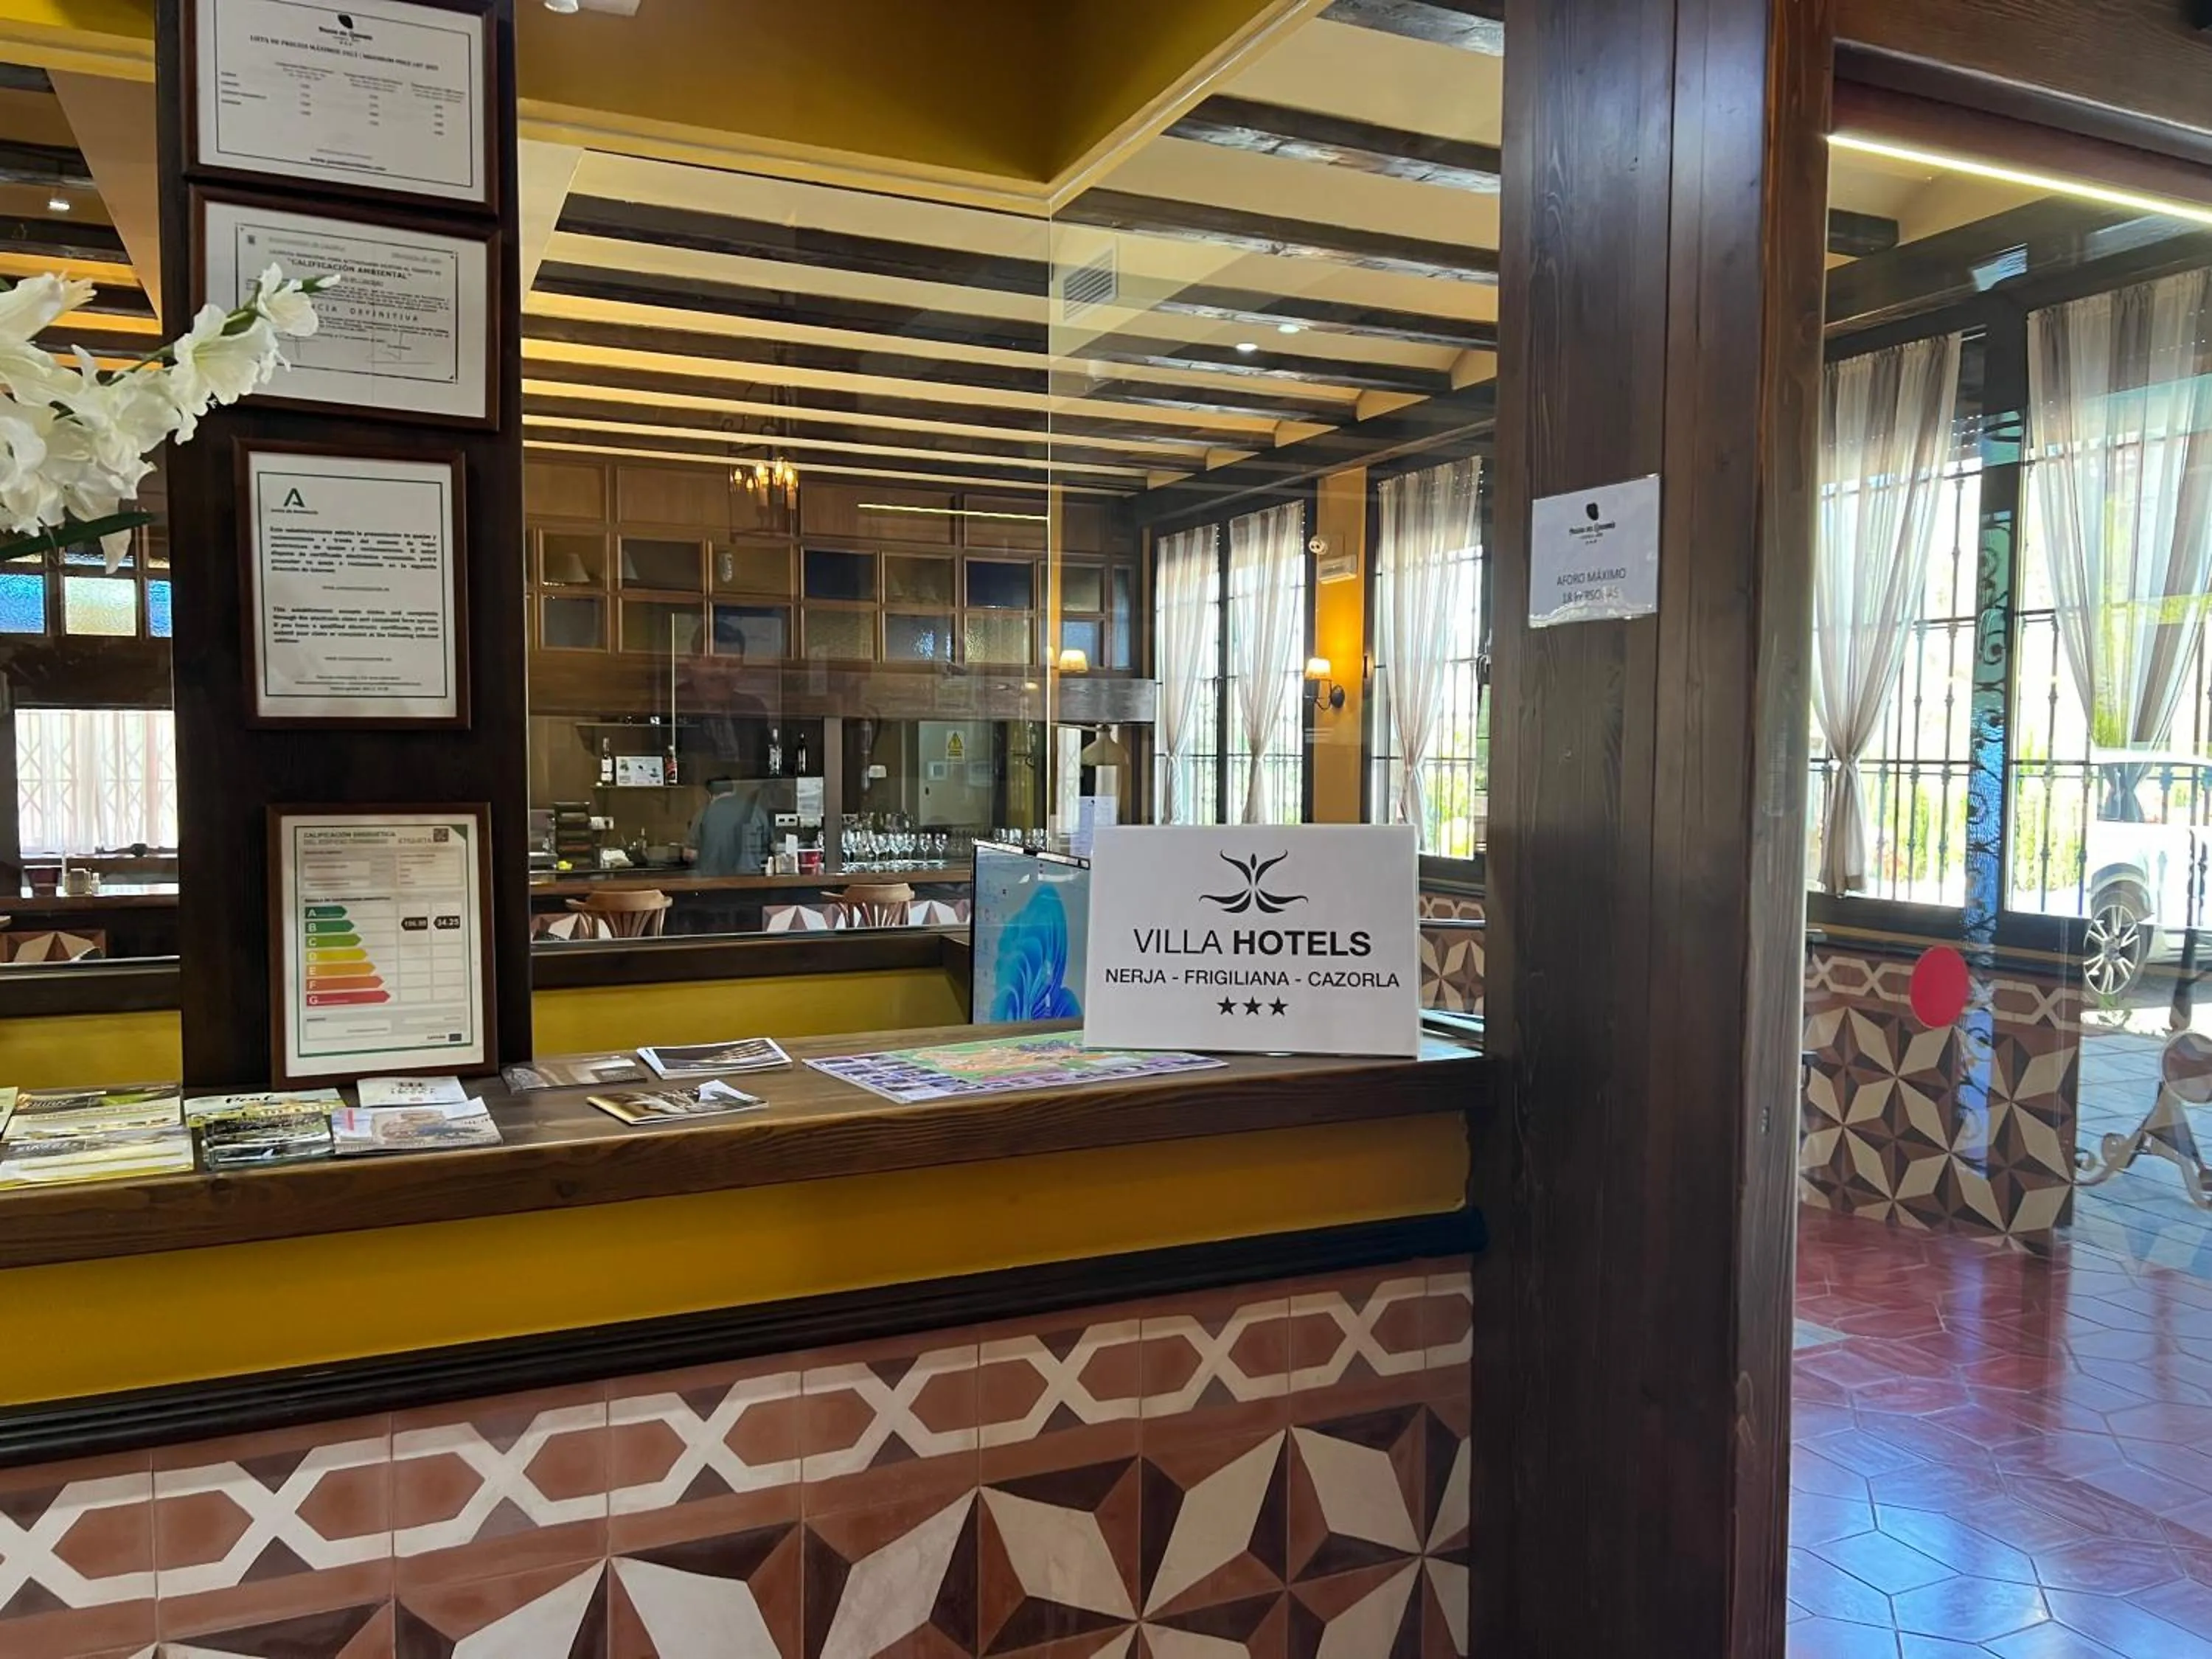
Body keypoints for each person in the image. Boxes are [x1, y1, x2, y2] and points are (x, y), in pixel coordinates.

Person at [686, 777, 772, 876]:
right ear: (734, 790)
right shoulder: (756, 811)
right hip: (751, 878)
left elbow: (691, 854)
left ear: (708, 794)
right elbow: (768, 847)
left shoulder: (704, 814)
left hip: (713, 881)